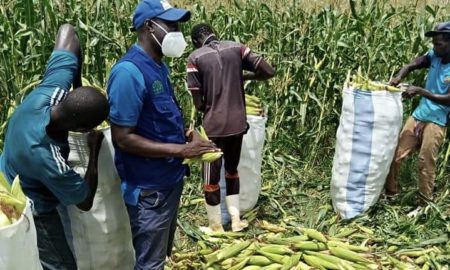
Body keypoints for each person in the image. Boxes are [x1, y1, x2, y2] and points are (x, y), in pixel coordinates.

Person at [106, 1, 218, 269]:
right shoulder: (128, 73)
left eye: (178, 24)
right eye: (170, 24)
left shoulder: (158, 66)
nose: (177, 31)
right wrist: (182, 151)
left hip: (169, 181)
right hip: (149, 189)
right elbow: (123, 137)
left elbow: (159, 119)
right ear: (149, 26)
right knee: (150, 263)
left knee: (159, 256)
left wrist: (188, 135)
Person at [0, 24, 109, 270]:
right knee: (60, 264)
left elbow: (67, 31)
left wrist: (78, 84)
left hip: (12, 167)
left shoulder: (52, 90)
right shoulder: (47, 158)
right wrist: (93, 151)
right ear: (82, 130)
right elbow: (84, 200)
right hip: (29, 204)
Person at [187, 23, 275, 232]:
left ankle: (215, 225)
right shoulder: (237, 48)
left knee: (211, 177)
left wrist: (207, 99)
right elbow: (268, 71)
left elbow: (198, 103)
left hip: (214, 127)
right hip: (238, 123)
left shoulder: (195, 58)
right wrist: (247, 76)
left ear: (195, 41)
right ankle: (236, 221)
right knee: (232, 171)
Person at [385, 21, 450, 202]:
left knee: (425, 162)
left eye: (439, 43)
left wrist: (421, 91)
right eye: (433, 43)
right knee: (396, 155)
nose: (434, 47)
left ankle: (424, 203)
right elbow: (411, 65)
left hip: (437, 120)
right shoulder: (433, 56)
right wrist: (398, 77)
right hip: (420, 114)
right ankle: (391, 194)